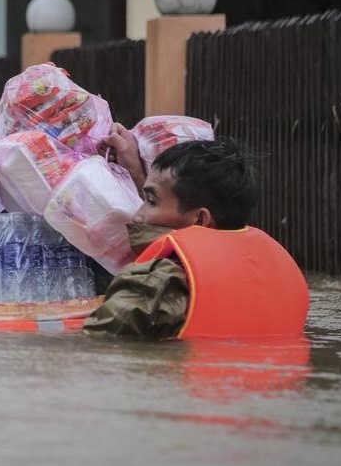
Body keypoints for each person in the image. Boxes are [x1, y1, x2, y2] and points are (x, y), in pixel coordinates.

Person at [83, 136, 309, 339]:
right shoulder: (274, 272)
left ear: (200, 220)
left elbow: (96, 343)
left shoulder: (156, 281)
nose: (138, 216)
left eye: (151, 201)